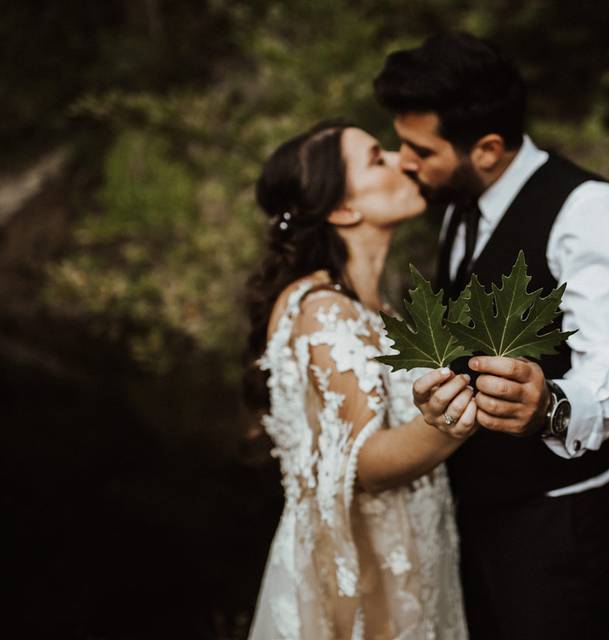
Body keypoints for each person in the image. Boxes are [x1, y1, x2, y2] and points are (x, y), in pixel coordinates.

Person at [374, 32, 609, 639]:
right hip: (474, 510)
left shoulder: (586, 210)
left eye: (419, 148)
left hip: (557, 521)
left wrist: (549, 405)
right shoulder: (457, 206)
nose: (403, 161)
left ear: (489, 148)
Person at [244, 121, 474, 639]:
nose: (401, 159)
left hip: (411, 554)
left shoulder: (372, 309)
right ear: (343, 209)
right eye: (377, 158)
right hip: (363, 573)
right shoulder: (323, 311)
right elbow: (363, 465)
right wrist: (455, 421)